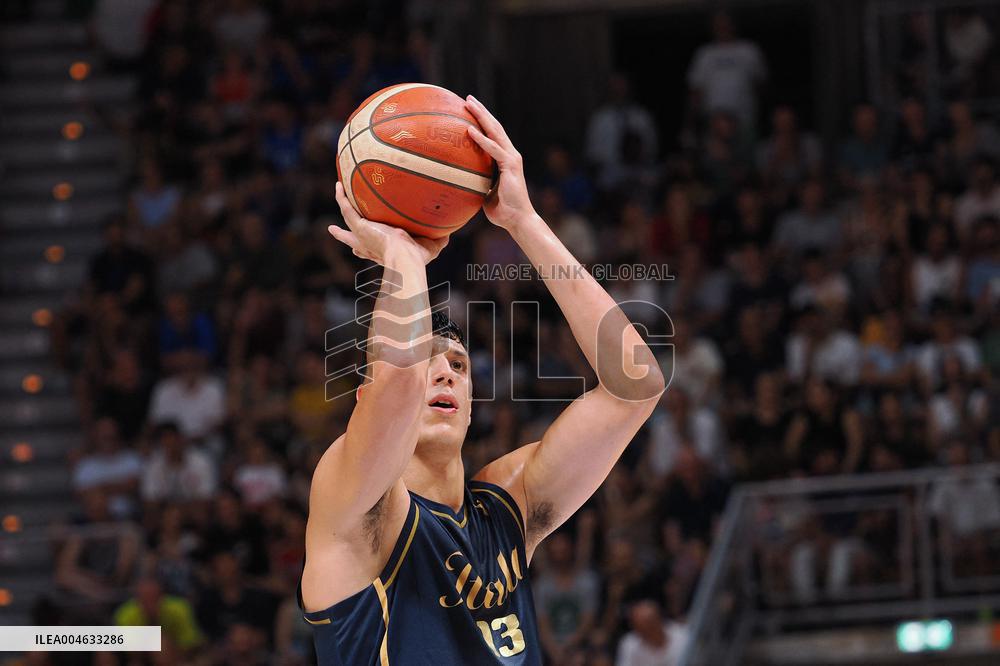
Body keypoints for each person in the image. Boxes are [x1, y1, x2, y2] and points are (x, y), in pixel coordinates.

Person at [299, 95, 665, 664]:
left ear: (471, 403)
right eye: (428, 360)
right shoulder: (354, 503)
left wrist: (525, 220)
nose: (443, 370)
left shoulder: (504, 509)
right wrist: (402, 255)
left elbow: (636, 385)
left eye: (460, 365)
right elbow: (394, 383)